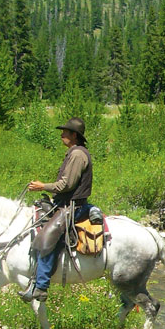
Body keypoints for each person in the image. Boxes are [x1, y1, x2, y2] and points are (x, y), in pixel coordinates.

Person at [19, 117, 98, 302]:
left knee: (47, 237)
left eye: (65, 131)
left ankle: (41, 286)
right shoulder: (74, 152)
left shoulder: (78, 155)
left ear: (74, 135)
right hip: (65, 203)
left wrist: (42, 186)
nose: (62, 134)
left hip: (73, 206)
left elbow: (67, 185)